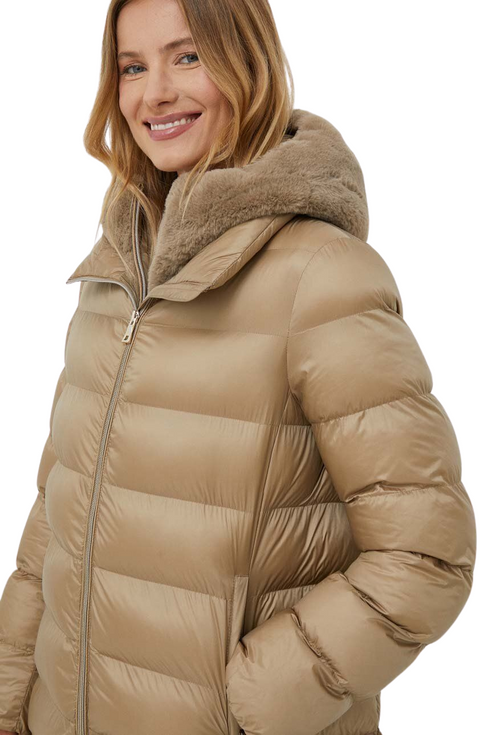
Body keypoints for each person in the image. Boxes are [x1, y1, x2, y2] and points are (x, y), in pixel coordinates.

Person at [0, 0, 476, 734]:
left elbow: (427, 550)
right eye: (132, 67)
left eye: (187, 57)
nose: (155, 93)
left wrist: (260, 701)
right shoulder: (113, 277)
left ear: (247, 64)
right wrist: (11, 695)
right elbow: (54, 520)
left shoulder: (323, 275)